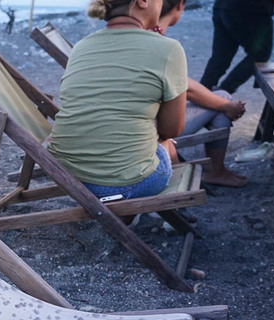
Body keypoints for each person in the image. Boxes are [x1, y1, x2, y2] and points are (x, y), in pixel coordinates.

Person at [48, 0, 187, 200]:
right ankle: (169, 204)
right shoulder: (168, 49)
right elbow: (171, 130)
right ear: (143, 1)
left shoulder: (81, 46)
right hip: (129, 182)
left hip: (68, 177)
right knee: (163, 143)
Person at [158, 0, 248, 187]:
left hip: (141, 125)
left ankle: (217, 170)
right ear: (179, 6)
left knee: (219, 98)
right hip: (153, 130)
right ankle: (216, 171)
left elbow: (183, 84)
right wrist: (228, 105)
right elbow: (186, 87)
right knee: (222, 99)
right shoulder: (158, 42)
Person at [199, 0, 274, 94]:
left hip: (222, 6)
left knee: (220, 58)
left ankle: (200, 94)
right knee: (260, 54)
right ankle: (223, 92)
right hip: (251, 9)